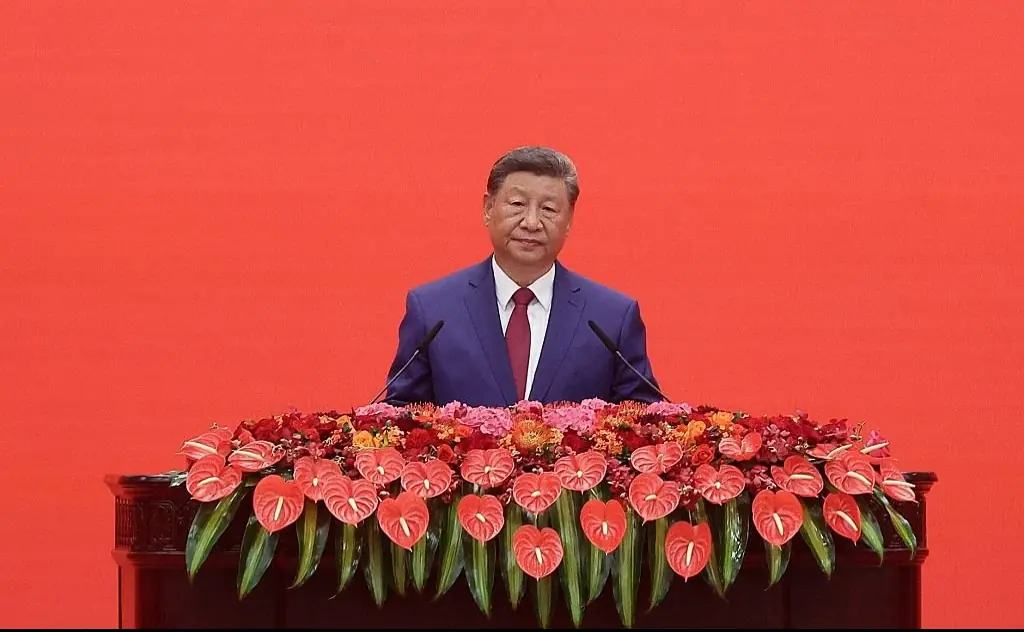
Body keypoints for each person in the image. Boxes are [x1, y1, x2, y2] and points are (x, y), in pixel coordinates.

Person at [383, 146, 663, 407]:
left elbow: (644, 422)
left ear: (569, 221)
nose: (531, 222)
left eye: (549, 209)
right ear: (488, 209)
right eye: (517, 204)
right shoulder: (433, 311)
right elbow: (402, 418)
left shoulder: (611, 318)